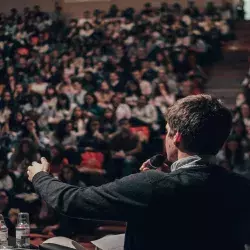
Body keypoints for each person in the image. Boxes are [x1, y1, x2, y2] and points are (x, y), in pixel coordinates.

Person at [27, 94, 250, 250]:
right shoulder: (242, 187)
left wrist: (40, 176)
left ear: (177, 137)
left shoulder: (152, 185)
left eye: (167, 132)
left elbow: (72, 201)